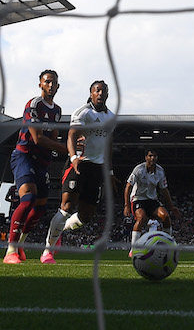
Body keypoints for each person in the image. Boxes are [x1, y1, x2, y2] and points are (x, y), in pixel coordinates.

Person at [41, 80, 117, 264]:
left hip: (97, 169)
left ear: (107, 94)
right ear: (91, 93)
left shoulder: (111, 118)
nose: (100, 94)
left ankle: (60, 231)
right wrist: (74, 158)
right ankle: (47, 251)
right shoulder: (83, 112)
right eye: (97, 91)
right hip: (79, 164)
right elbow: (72, 136)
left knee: (86, 216)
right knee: (66, 207)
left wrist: (110, 171)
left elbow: (108, 145)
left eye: (103, 91)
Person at [4, 70, 68, 264]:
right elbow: (38, 138)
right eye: (47, 82)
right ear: (40, 84)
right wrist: (69, 150)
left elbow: (53, 138)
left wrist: (67, 147)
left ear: (58, 86)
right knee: (28, 199)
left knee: (40, 209)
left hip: (42, 162)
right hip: (24, 156)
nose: (50, 85)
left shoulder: (57, 111)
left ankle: (21, 246)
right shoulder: (34, 105)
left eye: (53, 83)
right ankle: (10, 251)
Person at [124, 149, 180, 255]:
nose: (152, 158)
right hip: (138, 198)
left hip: (152, 199)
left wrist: (172, 207)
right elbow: (128, 186)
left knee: (165, 216)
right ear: (146, 157)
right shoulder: (138, 169)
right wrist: (126, 205)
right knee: (141, 218)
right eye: (150, 156)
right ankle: (133, 249)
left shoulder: (160, 171)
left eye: (154, 156)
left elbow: (164, 189)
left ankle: (169, 244)